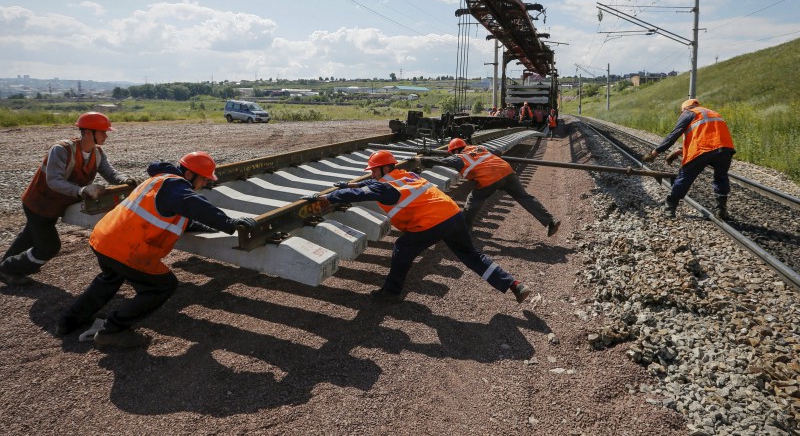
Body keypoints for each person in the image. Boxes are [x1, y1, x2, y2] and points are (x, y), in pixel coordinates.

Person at [56, 152, 257, 348]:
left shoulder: (160, 181)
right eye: (204, 179)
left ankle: (69, 321)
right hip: (126, 250)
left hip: (104, 239)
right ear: (189, 175)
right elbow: (197, 206)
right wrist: (230, 223)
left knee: (110, 278)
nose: (205, 184)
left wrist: (210, 229)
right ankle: (113, 330)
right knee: (161, 286)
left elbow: (180, 217)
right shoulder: (177, 187)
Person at [304, 150, 532, 304]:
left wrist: (329, 197)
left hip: (432, 223)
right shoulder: (406, 175)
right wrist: (352, 182)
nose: (371, 174)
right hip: (453, 215)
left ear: (384, 169)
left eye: (374, 170)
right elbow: (370, 184)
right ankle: (513, 284)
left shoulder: (385, 187)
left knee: (402, 248)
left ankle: (391, 293)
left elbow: (357, 194)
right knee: (472, 255)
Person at [0, 112, 136, 287]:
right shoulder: (61, 149)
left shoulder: (98, 153)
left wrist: (125, 180)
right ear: (87, 132)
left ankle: (7, 266)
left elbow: (110, 173)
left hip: (54, 205)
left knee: (30, 235)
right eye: (102, 131)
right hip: (39, 203)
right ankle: (8, 269)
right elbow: (54, 181)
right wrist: (82, 190)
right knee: (49, 247)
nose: (106, 135)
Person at [421, 138, 560, 237]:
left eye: (452, 152)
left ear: (455, 150)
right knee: (525, 197)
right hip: (507, 172)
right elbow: (497, 151)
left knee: (473, 200)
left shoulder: (459, 157)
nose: (452, 154)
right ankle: (550, 221)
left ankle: (464, 230)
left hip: (490, 178)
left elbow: (442, 161)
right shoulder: (479, 148)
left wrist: (422, 160)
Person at [642, 99, 736, 219]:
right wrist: (679, 151)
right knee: (721, 177)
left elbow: (673, 136)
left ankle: (669, 207)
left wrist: (654, 153)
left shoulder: (688, 113)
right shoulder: (712, 113)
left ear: (684, 109)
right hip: (725, 149)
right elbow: (708, 136)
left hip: (702, 149)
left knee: (685, 176)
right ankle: (721, 209)